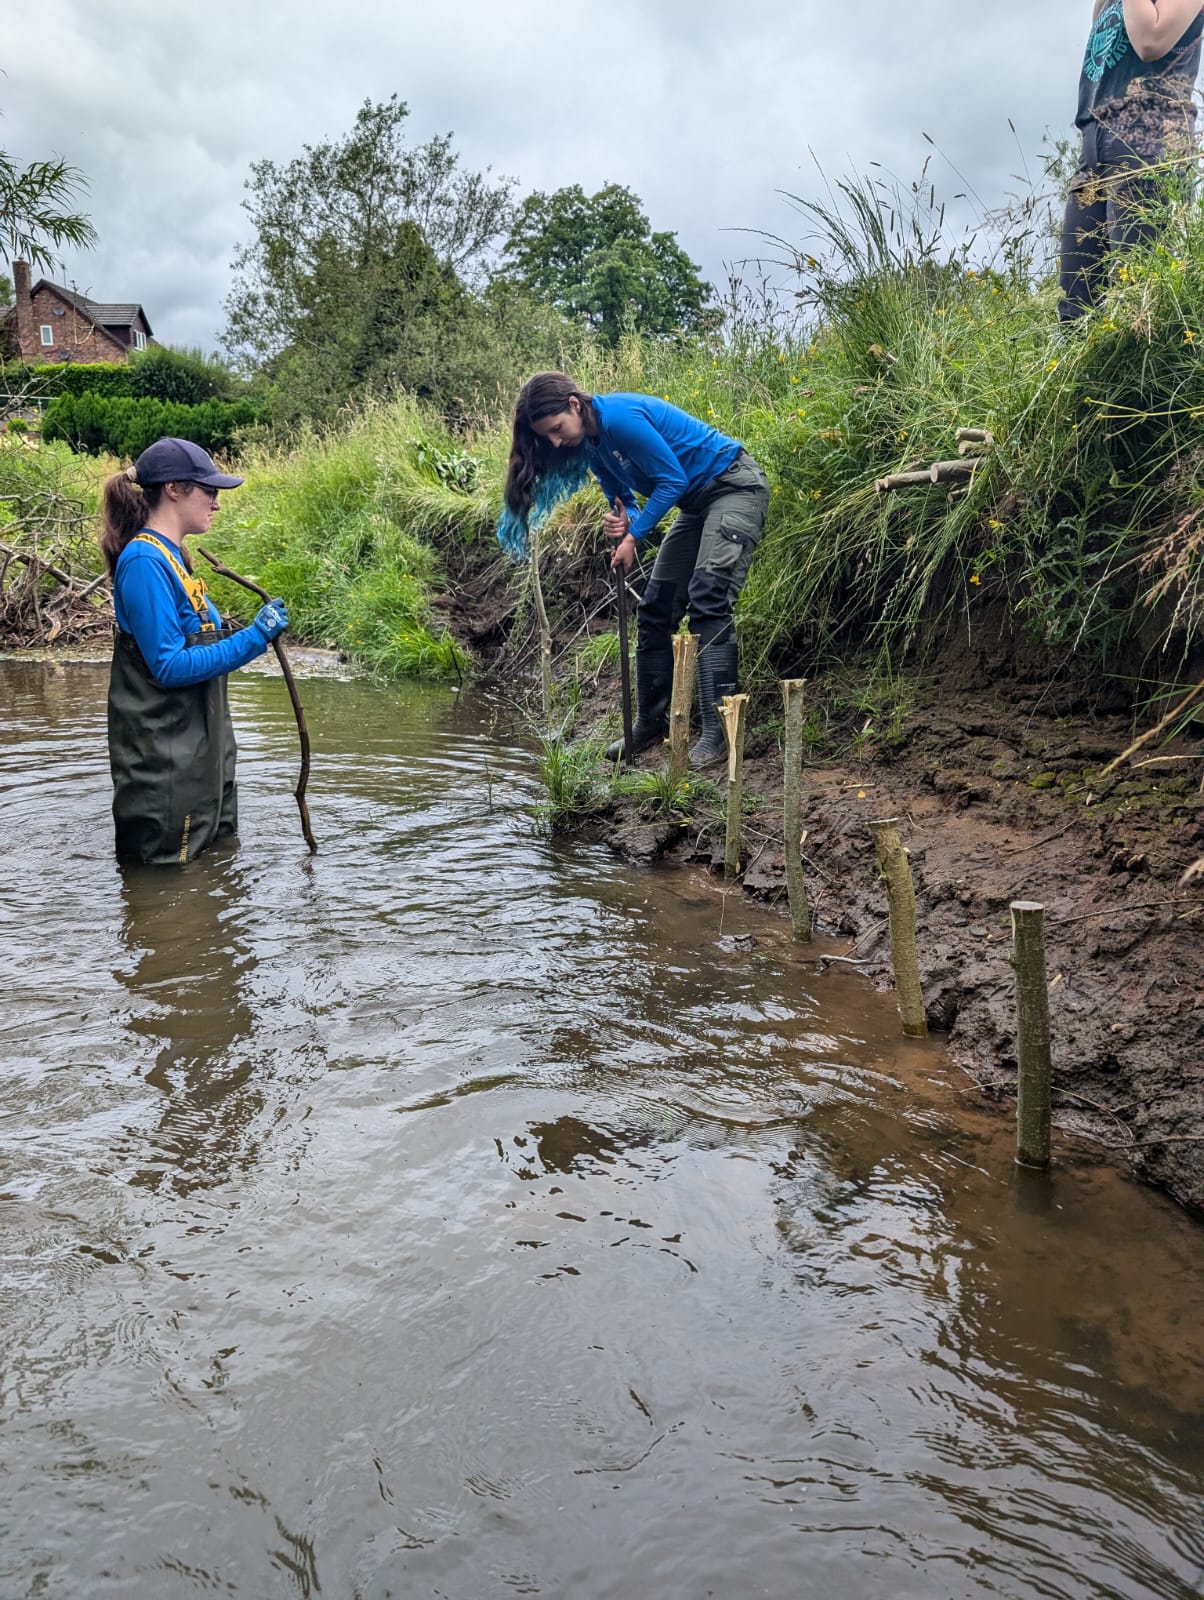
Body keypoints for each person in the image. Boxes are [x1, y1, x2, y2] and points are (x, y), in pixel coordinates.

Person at [500, 373, 770, 767]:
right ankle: (649, 725)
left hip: (734, 486)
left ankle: (719, 734)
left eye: (557, 429)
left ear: (575, 404)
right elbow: (626, 501)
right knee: (656, 607)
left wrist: (634, 537)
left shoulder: (622, 418)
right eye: (548, 438)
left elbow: (672, 479)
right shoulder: (591, 446)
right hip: (695, 505)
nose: (556, 442)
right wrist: (626, 523)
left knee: (709, 597)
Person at [101, 436, 289, 865]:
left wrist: (244, 633)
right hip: (167, 761)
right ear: (173, 488)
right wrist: (255, 637)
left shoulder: (174, 556)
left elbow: (197, 640)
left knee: (218, 868)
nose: (217, 503)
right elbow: (168, 666)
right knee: (168, 888)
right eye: (210, 491)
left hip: (201, 754)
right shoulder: (144, 562)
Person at [1059, 0, 1204, 320]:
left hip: (1147, 140)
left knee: (1137, 299)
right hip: (1094, 140)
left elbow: (1150, 40)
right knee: (1075, 307)